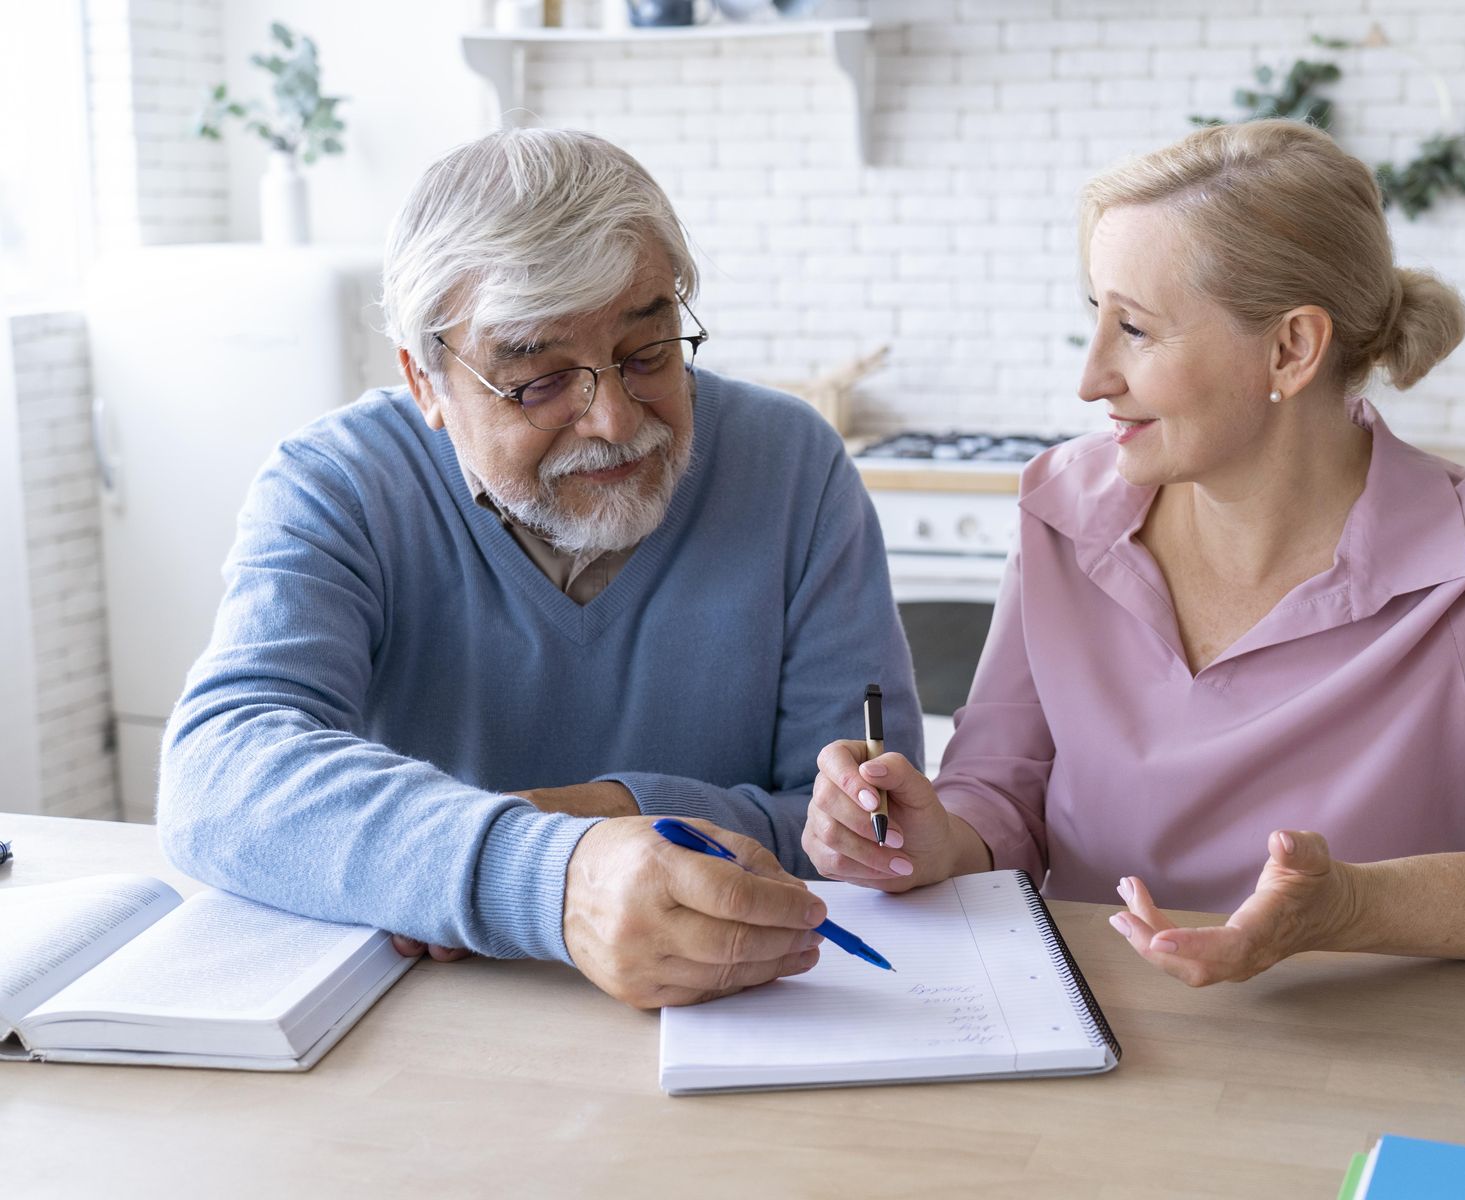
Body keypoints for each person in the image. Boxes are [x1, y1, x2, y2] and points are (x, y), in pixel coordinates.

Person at [804, 119, 1465, 986]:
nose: (1091, 377)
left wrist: (1349, 908)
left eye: (1134, 327)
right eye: (1095, 314)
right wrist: (934, 840)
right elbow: (1001, 796)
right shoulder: (1066, 514)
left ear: (1291, 349)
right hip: (1084, 1027)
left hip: (1365, 1053)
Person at [158, 128, 922, 1009]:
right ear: (427, 384)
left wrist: (602, 810)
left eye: (648, 354)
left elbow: (867, 827)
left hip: (754, 1014)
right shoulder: (341, 481)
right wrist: (546, 873)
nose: (613, 421)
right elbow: (218, 773)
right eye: (538, 380)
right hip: (433, 1029)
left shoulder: (793, 465)